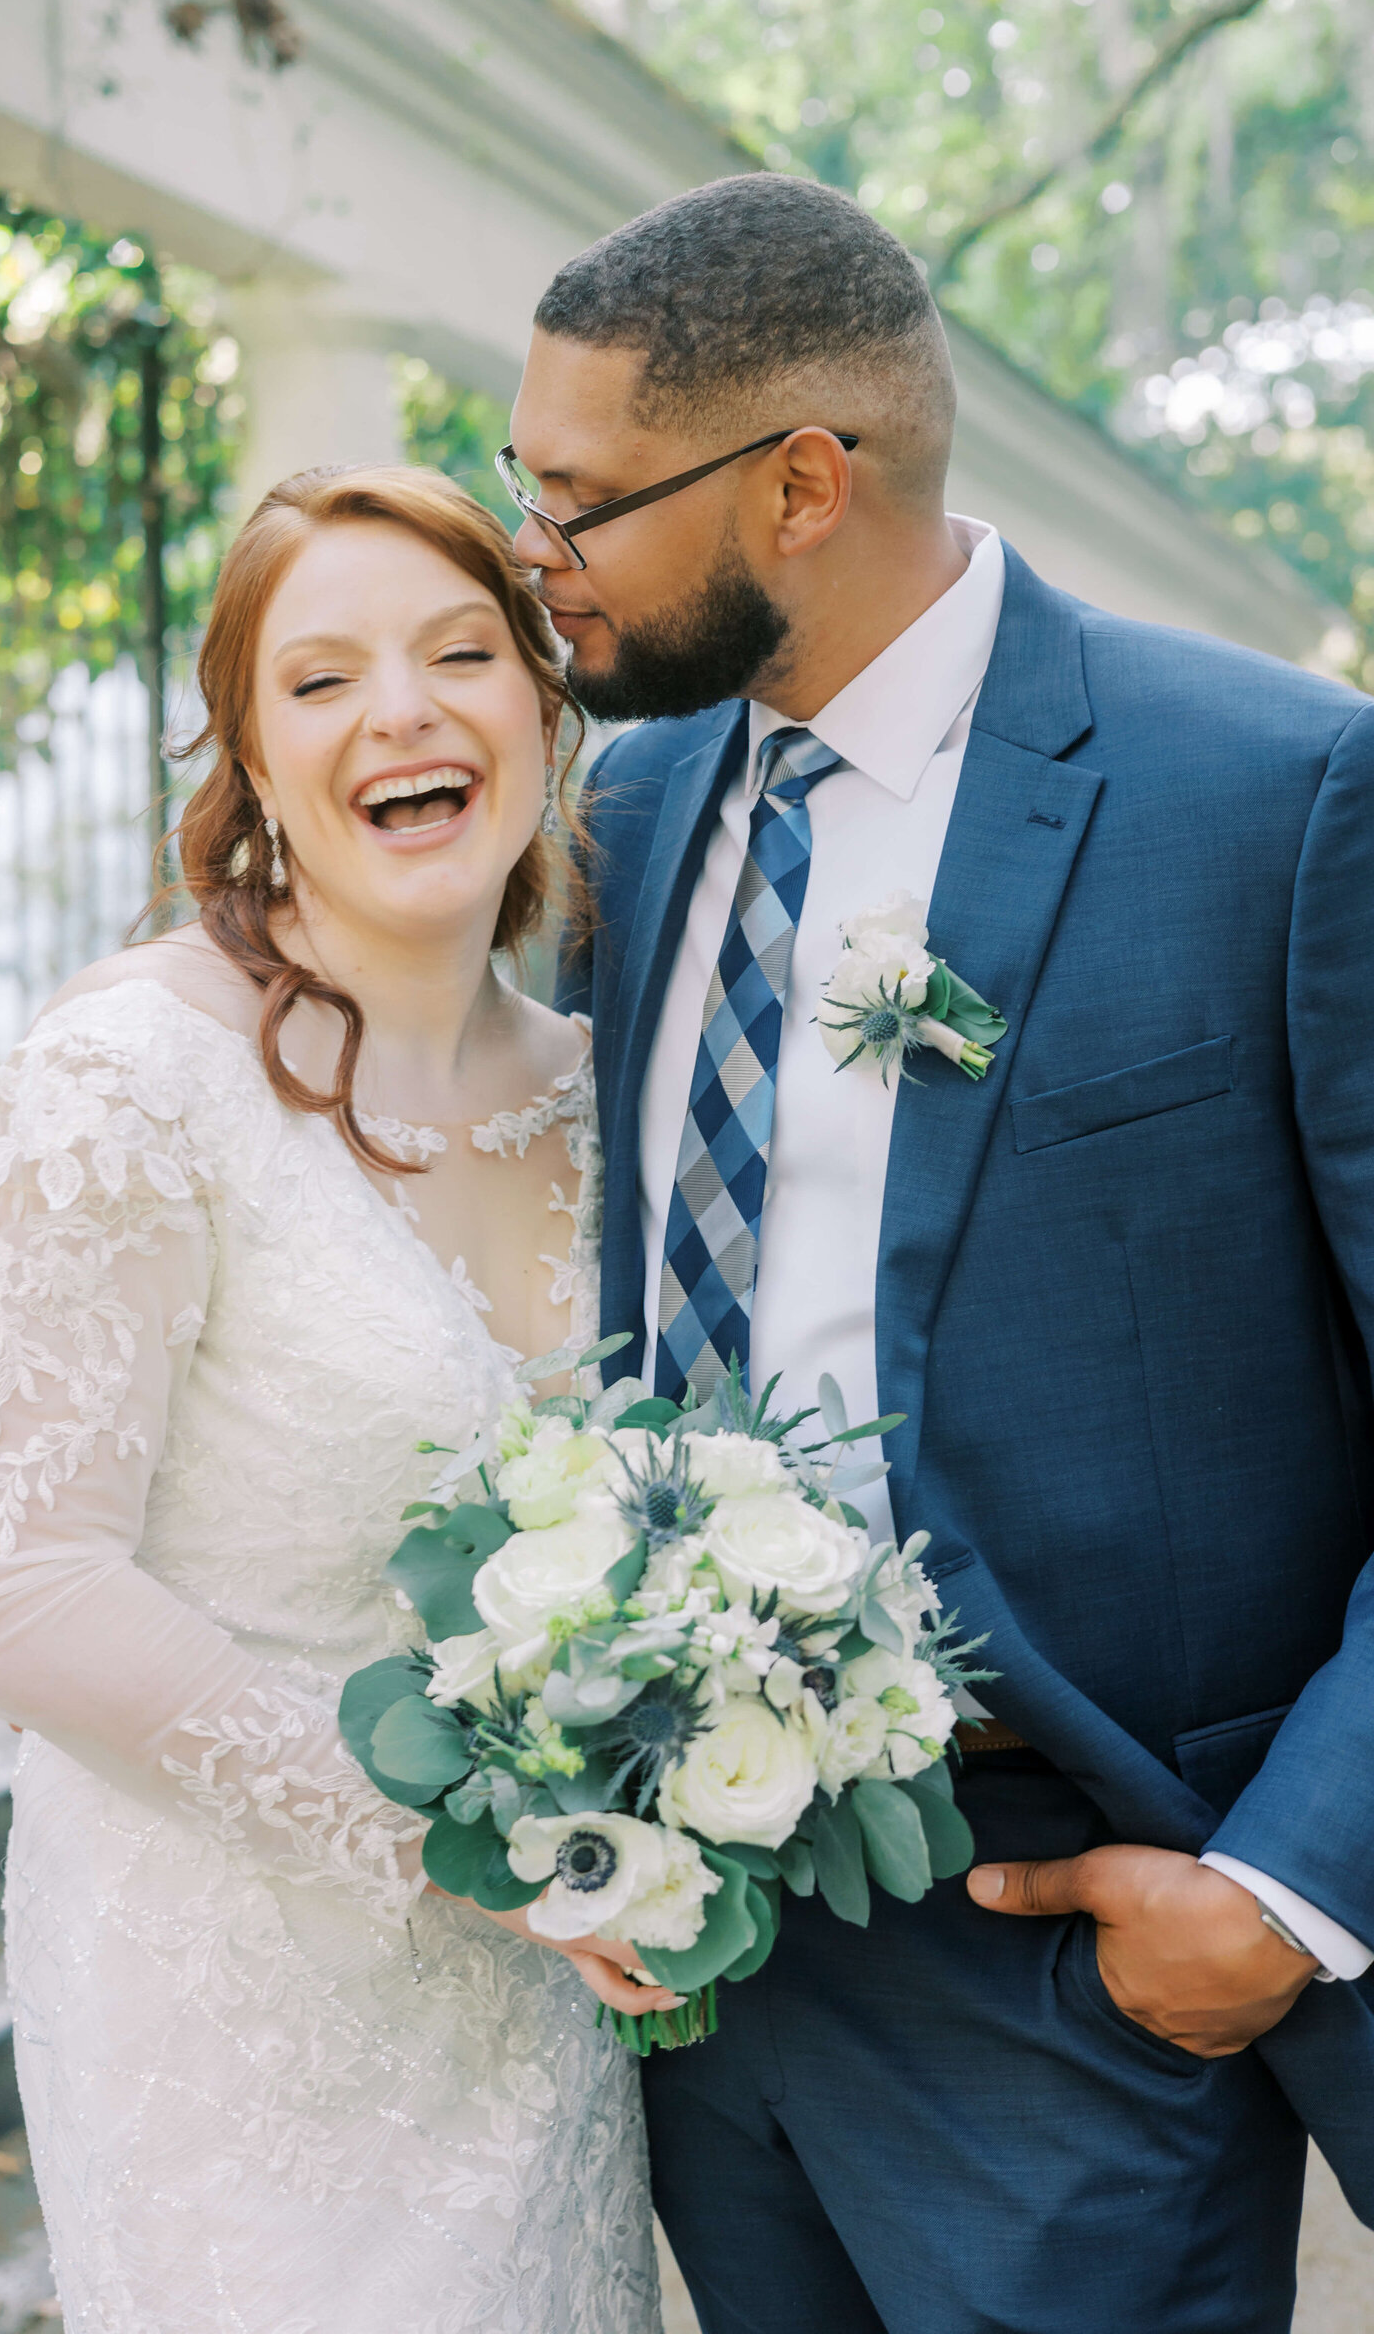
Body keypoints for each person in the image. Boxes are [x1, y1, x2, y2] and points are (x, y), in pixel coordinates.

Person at [507, 173, 1374, 2334]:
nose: (535, 555)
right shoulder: (618, 818)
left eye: (581, 500)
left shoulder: (1274, 796)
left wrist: (1280, 1889)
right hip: (700, 1959)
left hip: (1066, 1950)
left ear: (801, 480)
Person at [0, 466, 671, 2334]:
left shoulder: (615, 1088)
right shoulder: (126, 1081)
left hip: (552, 2007)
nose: (400, 712)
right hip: (233, 2014)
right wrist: (476, 1852)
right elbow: (15, 1594)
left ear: (538, 709)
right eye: (321, 681)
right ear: (251, 765)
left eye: (458, 654)